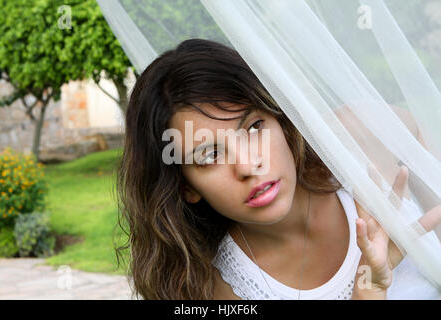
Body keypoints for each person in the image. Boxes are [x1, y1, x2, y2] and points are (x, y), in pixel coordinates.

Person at [116, 38, 440, 300]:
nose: (247, 165)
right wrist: (370, 288)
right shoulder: (218, 288)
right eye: (210, 155)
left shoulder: (362, 136)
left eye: (255, 127)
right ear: (186, 186)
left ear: (282, 121)